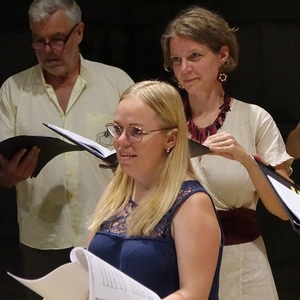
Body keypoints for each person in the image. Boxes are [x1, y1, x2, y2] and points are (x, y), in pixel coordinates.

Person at [0, 1, 133, 299]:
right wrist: (8, 175)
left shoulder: (116, 82)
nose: (49, 50)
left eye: (58, 39)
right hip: (43, 239)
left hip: (109, 233)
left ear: (79, 32)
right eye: (39, 41)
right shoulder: (13, 90)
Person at [161, 5, 293, 300]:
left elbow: (284, 211)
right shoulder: (164, 123)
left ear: (222, 55)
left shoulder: (255, 118)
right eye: (177, 60)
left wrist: (247, 160)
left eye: (195, 56)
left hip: (241, 262)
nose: (185, 69)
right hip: (178, 260)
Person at [88, 80, 223, 300]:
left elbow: (193, 294)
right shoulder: (116, 189)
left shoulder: (191, 202)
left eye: (136, 132)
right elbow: (88, 271)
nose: (121, 141)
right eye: (118, 129)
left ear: (170, 139)